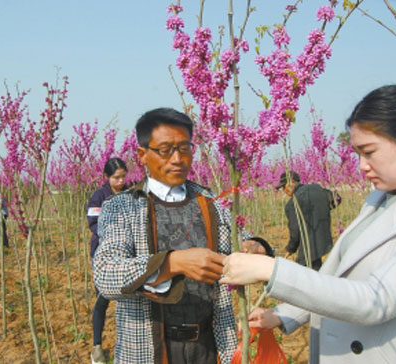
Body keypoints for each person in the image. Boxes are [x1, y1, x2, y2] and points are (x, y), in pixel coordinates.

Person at [221, 85, 396, 363]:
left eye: (369, 152)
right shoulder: (379, 201)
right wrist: (283, 314)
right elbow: (335, 281)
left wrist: (271, 270)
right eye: (358, 153)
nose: (361, 166)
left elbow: (376, 300)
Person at [93, 107, 272, 364]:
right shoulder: (123, 207)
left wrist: (254, 246)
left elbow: (241, 238)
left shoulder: (211, 202)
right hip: (149, 348)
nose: (177, 159)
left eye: (185, 148)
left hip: (209, 345)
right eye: (165, 150)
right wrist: (172, 264)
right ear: (142, 154)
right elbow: (106, 274)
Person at [86, 157, 128, 364]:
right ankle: (97, 347)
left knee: (127, 300)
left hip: (129, 255)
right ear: (107, 177)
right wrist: (113, 237)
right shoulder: (99, 197)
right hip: (104, 253)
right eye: (116, 178)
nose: (120, 181)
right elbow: (93, 223)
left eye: (123, 177)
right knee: (103, 299)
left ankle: (127, 343)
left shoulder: (132, 193)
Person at [276, 171, 341, 270]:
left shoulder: (292, 204)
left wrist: (290, 249)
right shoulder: (316, 188)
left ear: (292, 182)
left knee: (306, 273)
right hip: (323, 240)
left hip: (308, 248)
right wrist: (322, 210)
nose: (284, 190)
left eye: (284, 186)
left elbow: (295, 232)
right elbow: (337, 198)